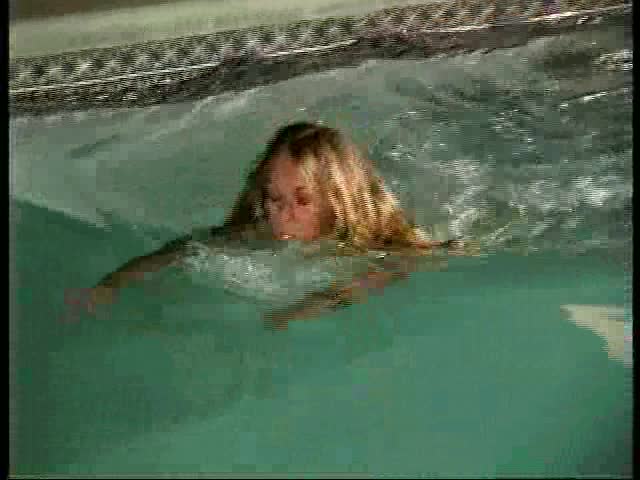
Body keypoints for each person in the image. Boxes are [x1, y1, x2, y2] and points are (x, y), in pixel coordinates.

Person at [86, 122, 466, 329]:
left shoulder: (378, 247)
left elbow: (365, 284)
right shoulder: (261, 230)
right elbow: (183, 250)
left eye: (302, 201)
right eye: (274, 198)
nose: (283, 215)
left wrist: (298, 312)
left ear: (338, 203)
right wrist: (113, 282)